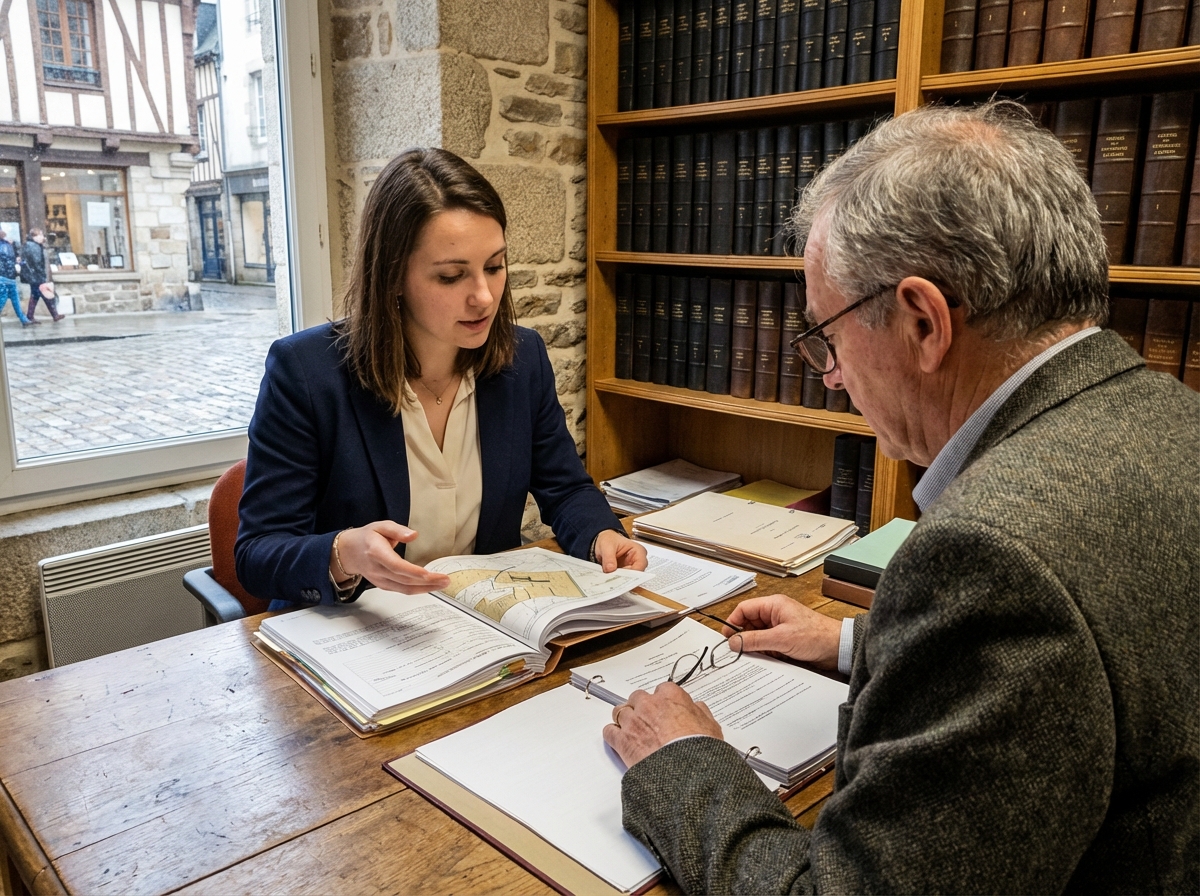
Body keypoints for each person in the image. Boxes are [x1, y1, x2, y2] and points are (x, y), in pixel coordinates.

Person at [602, 100, 1199, 893]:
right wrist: (862, 644)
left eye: (828, 335)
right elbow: (1099, 659)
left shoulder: (990, 556)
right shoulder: (1172, 414)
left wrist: (684, 761)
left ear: (922, 322)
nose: (832, 376)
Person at [236, 148, 646, 610]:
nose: (484, 296)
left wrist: (601, 534)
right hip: (355, 628)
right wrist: (341, 553)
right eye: (452, 276)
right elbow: (257, 553)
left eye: (495, 266)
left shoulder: (522, 357)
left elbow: (565, 487)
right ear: (392, 276)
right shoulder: (305, 372)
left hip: (483, 623)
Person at [21, 228, 62, 323]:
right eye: (40, 235)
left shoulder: (33, 245)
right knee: (42, 294)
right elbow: (37, 262)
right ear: (34, 236)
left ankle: (31, 316)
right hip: (36, 275)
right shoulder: (33, 246)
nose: (42, 237)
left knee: (36, 295)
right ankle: (53, 315)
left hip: (34, 276)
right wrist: (42, 275)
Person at [0, 230, 30, 326]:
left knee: (15, 299)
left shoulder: (8, 244)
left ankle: (23, 319)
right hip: (4, 277)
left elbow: (13, 257)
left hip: (9, 276)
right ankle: (23, 319)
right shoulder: (6, 244)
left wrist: (18, 262)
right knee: (3, 299)